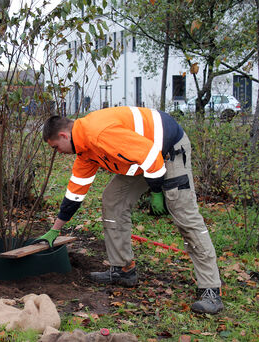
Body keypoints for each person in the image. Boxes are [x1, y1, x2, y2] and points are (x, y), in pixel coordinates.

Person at [37, 106, 223, 314]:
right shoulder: (85, 149)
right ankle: (123, 270)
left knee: (185, 215)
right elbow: (75, 194)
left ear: (63, 135)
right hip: (143, 157)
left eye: (55, 147)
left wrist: (157, 192)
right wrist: (55, 229)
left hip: (168, 150)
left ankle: (211, 289)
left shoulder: (99, 134)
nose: (58, 153)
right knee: (113, 200)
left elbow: (152, 156)